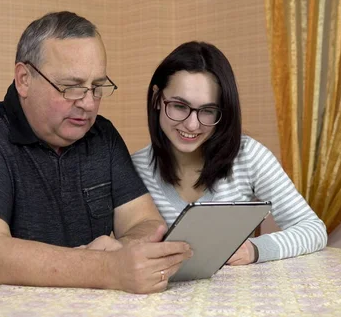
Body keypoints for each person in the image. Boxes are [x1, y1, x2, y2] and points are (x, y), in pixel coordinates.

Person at [0, 11, 192, 294]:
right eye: (71, 87)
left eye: (97, 87)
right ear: (24, 79)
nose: (89, 104)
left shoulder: (102, 136)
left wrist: (122, 247)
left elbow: (147, 223)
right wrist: (107, 266)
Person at [132, 41, 327, 265]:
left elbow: (313, 229)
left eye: (208, 111)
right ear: (157, 98)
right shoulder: (133, 169)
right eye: (179, 106)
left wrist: (255, 249)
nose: (193, 125)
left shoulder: (248, 156)